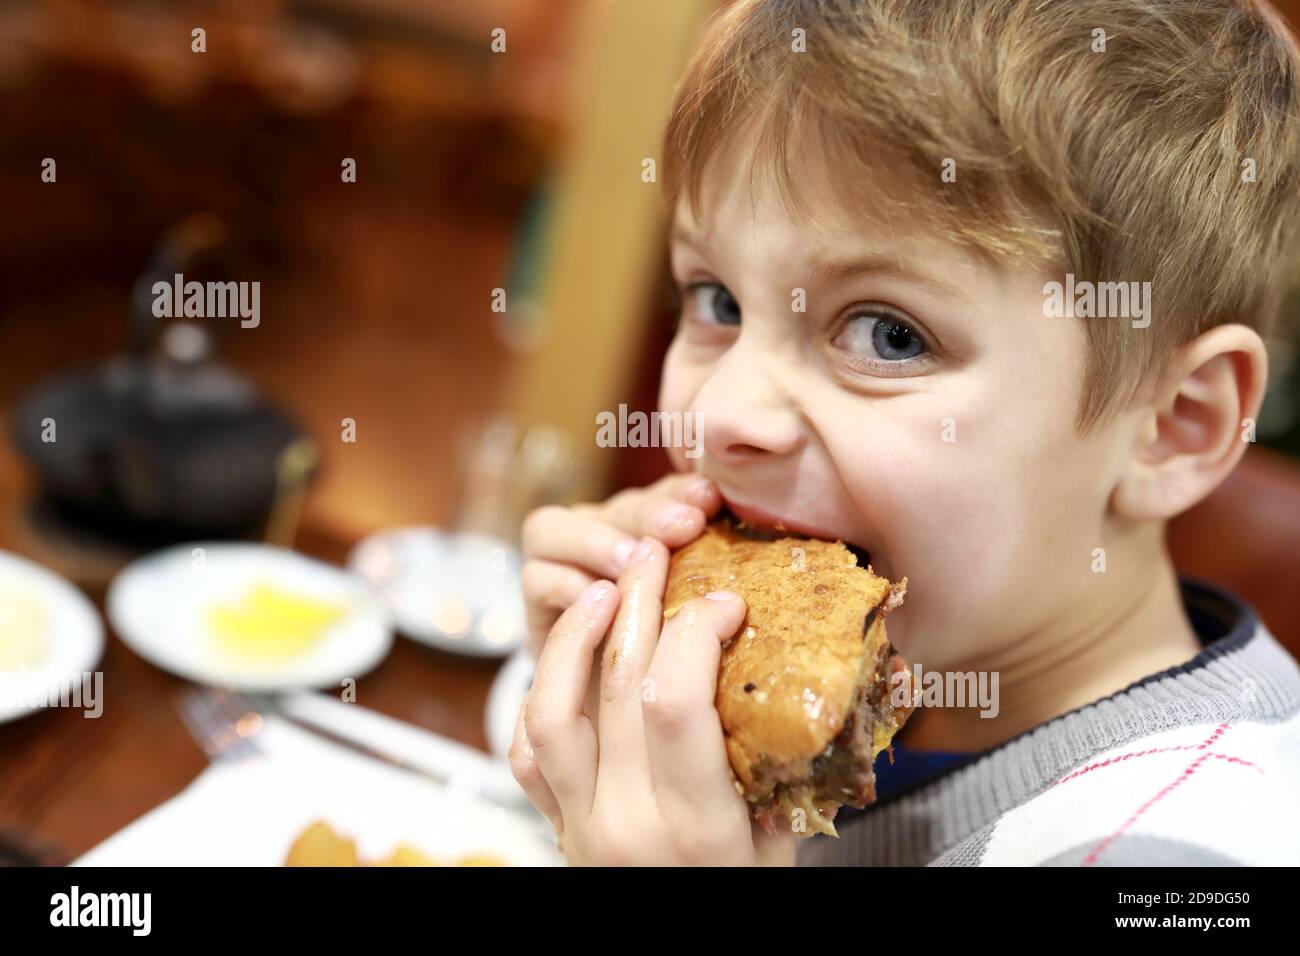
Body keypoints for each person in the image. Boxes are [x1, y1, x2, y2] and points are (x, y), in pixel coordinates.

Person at [509, 0, 1300, 865]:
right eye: (717, 301)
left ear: (1174, 427)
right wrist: (602, 715)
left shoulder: (1179, 855)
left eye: (889, 334)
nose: (723, 412)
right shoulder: (922, 657)